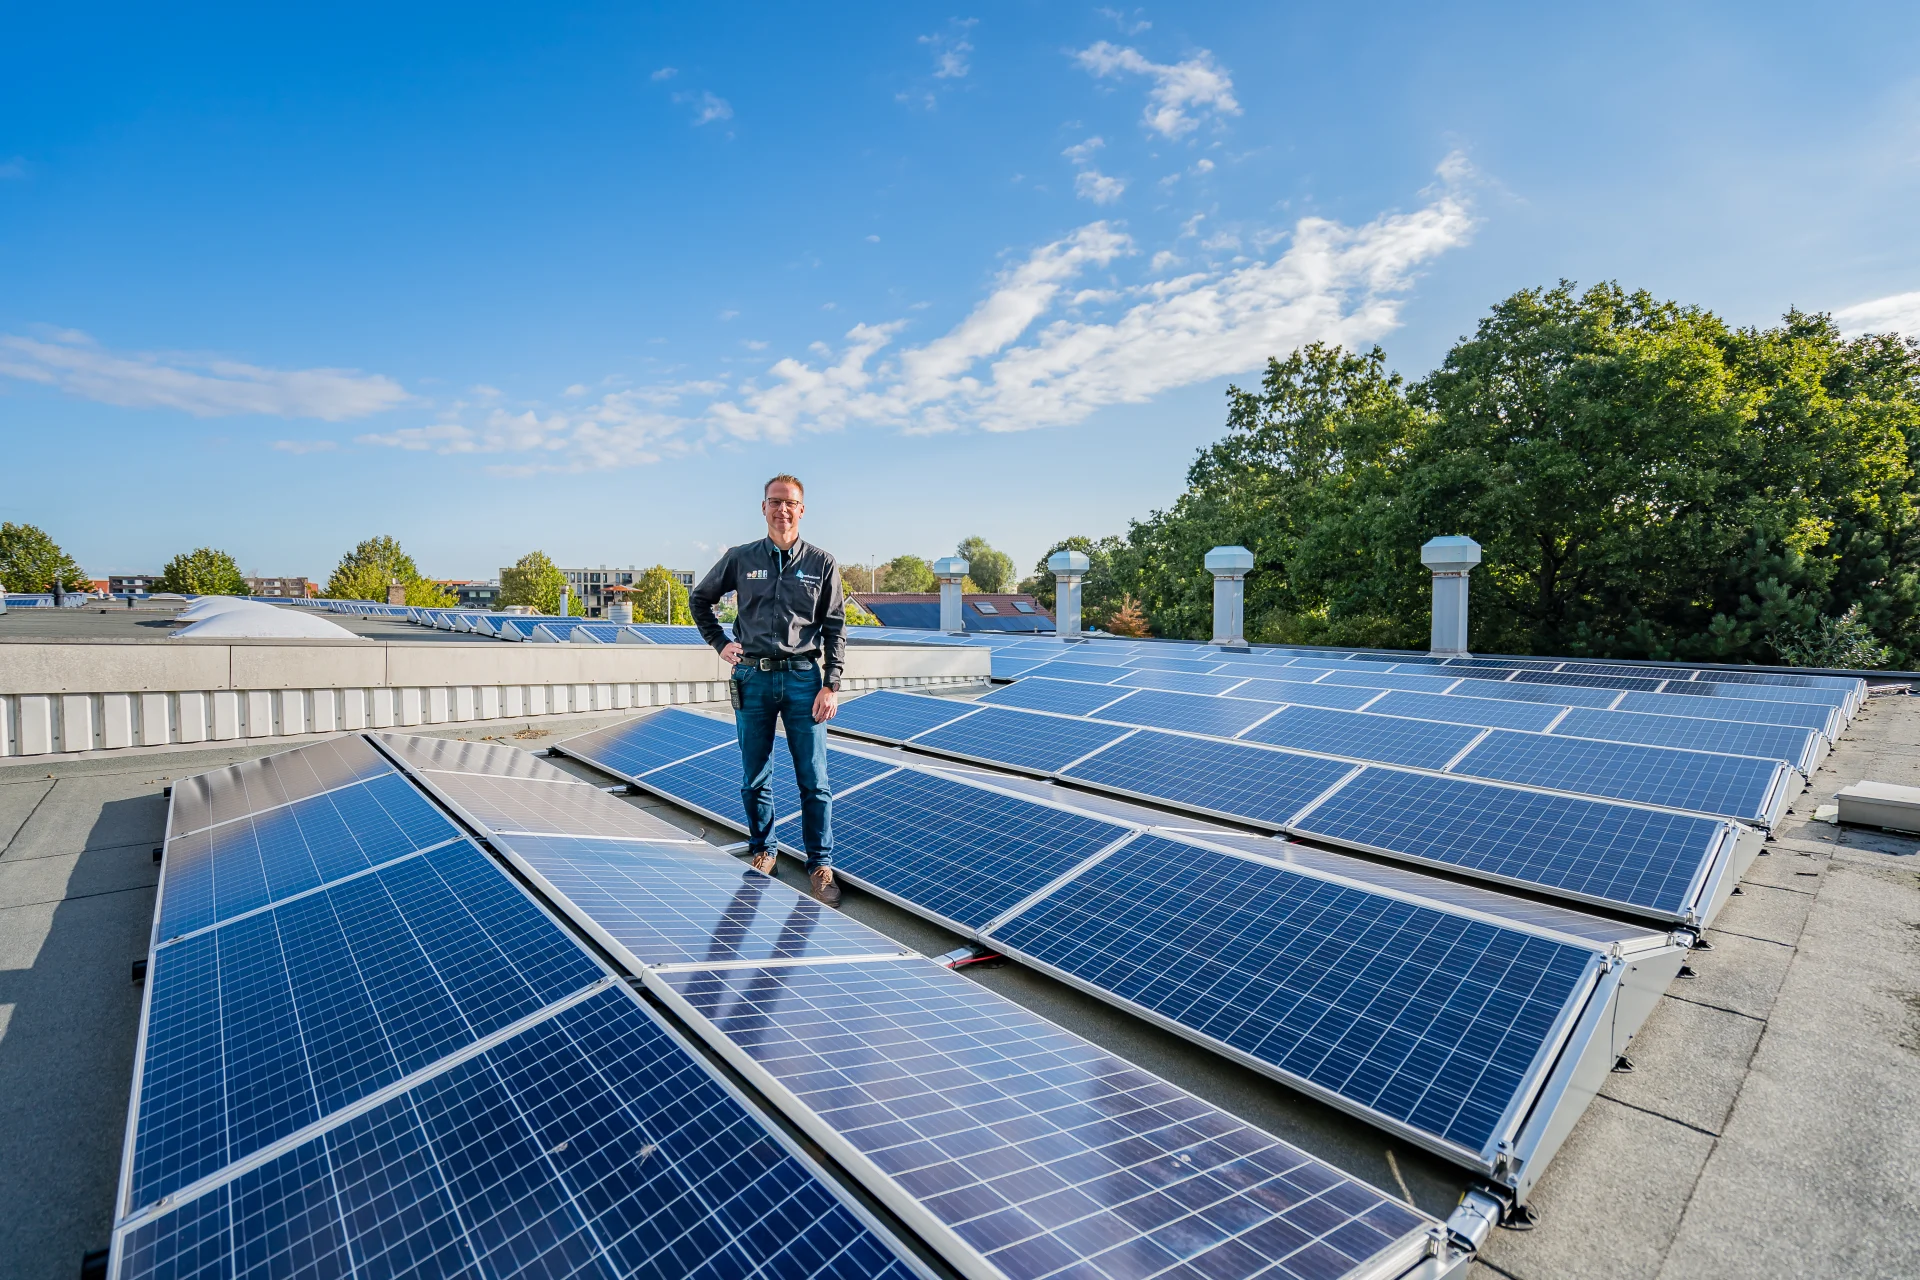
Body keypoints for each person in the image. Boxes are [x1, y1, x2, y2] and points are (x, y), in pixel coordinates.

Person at [689, 474, 846, 905]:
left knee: (814, 779)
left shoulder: (822, 563)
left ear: (802, 509)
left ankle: (820, 864)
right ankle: (764, 851)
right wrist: (720, 643)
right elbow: (699, 600)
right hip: (752, 678)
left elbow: (835, 629)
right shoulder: (740, 559)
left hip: (802, 680)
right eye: (775, 502)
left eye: (790, 503)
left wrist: (831, 684)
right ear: (763, 508)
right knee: (755, 775)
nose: (782, 509)